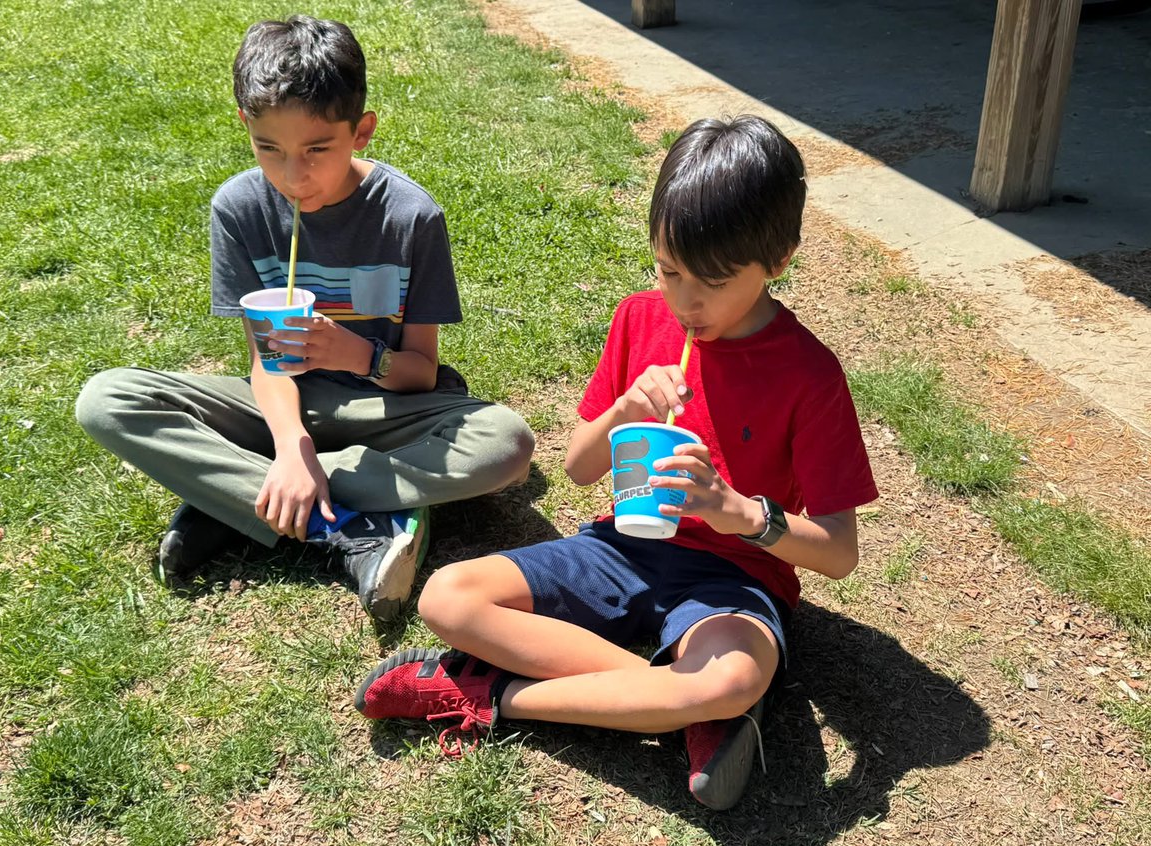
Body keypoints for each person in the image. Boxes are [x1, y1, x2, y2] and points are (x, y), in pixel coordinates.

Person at [354, 115, 878, 809]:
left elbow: (839, 553)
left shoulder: (809, 374)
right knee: (447, 597)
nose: (685, 301)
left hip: (733, 579)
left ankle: (490, 693)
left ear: (778, 259)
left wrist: (739, 513)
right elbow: (576, 466)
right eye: (668, 271)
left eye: (713, 282)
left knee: (726, 678)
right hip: (619, 549)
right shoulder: (640, 319)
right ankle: (679, 707)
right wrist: (623, 410)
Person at [75, 15, 534, 622]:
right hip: (281, 406)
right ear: (247, 127)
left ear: (361, 131)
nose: (294, 175)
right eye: (270, 148)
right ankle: (345, 520)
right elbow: (265, 366)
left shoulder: (410, 216)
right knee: (107, 400)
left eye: (318, 149)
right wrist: (292, 446)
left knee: (506, 444)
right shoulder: (239, 209)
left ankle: (236, 498)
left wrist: (355, 354)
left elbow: (422, 374)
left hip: (386, 408)